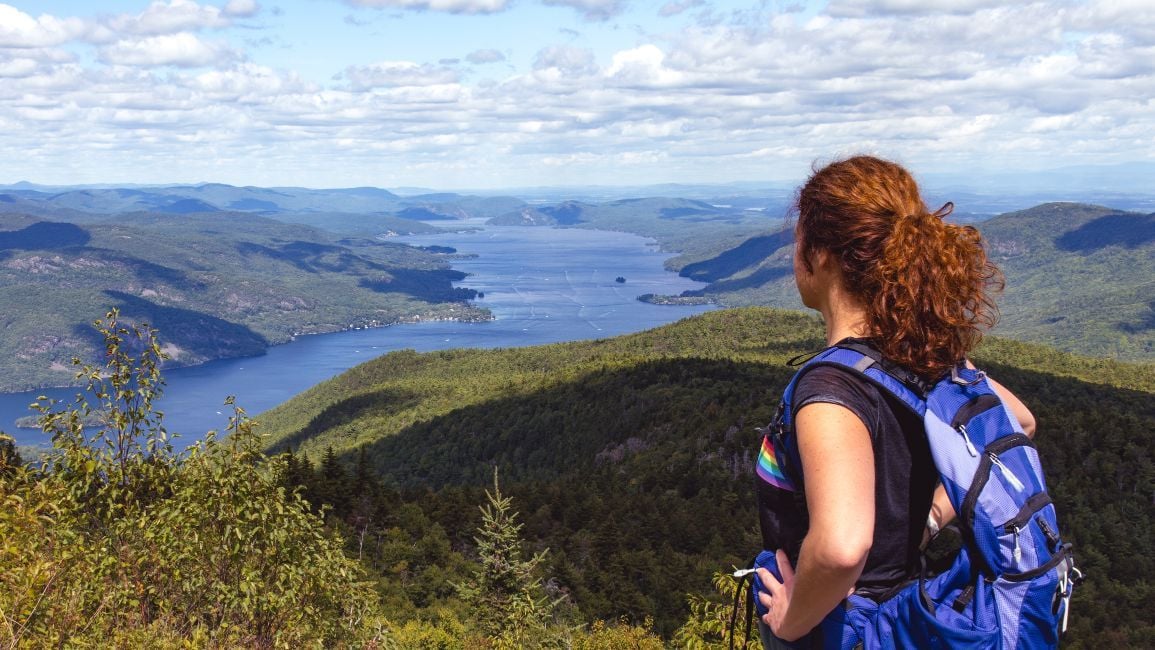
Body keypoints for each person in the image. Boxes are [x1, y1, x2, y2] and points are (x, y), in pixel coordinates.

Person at [754, 155, 1036, 647]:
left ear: (821, 255)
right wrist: (929, 519)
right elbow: (1021, 422)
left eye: (797, 241)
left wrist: (790, 621)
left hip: (843, 626)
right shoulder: (930, 359)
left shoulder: (831, 391)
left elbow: (842, 548)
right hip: (912, 616)